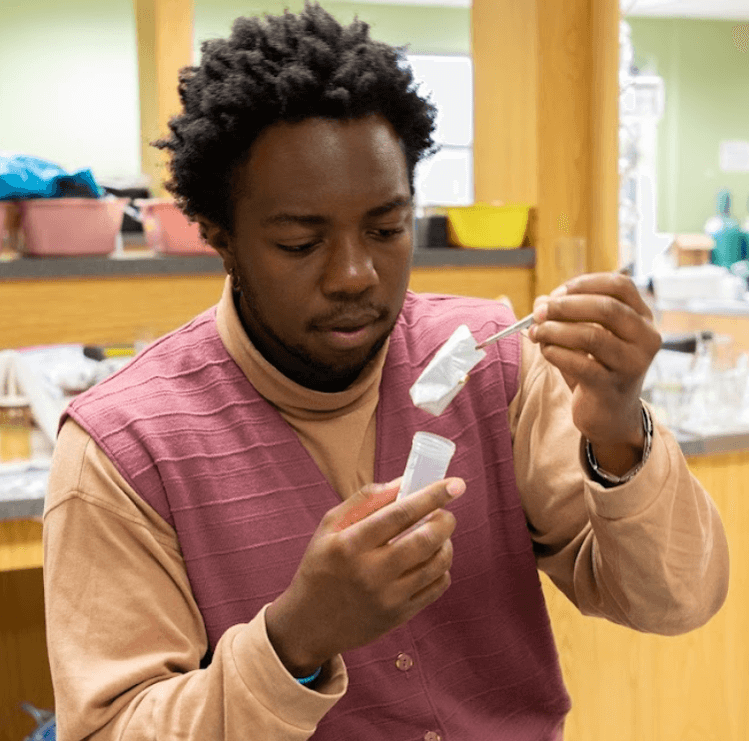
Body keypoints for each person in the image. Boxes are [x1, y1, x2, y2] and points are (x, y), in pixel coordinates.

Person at [43, 4, 729, 740]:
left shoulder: (495, 361)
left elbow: (677, 602)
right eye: (301, 242)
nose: (354, 274)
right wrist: (294, 639)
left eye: (386, 229)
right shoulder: (123, 449)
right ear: (219, 236)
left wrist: (620, 431)